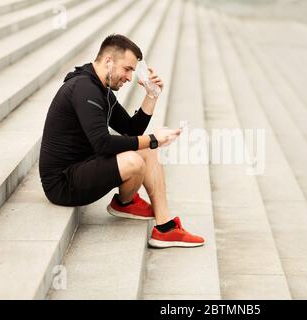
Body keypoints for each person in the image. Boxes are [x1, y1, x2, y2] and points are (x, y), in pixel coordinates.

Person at [39, 34, 204, 248]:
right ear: (109, 61)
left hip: (84, 164)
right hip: (62, 183)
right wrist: (153, 139)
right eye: (127, 69)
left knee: (147, 150)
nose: (129, 77)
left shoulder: (101, 89)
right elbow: (103, 144)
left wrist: (152, 95)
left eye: (132, 71)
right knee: (136, 159)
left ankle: (165, 227)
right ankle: (125, 203)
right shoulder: (83, 88)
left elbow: (130, 129)